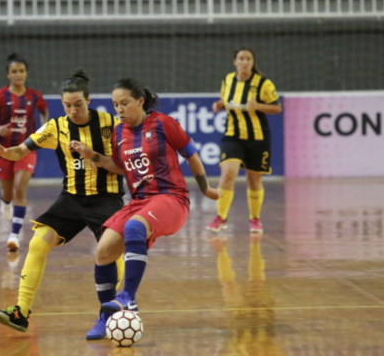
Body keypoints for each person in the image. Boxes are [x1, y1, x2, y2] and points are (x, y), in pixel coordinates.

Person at [69, 78, 219, 332]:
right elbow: (119, 167)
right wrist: (91, 155)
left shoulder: (163, 123)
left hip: (171, 198)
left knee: (134, 228)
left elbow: (191, 154)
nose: (119, 109)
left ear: (140, 101)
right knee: (103, 250)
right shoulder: (118, 132)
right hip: (139, 201)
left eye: (124, 103)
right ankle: (107, 318)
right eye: (115, 105)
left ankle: (128, 296)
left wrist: (205, 188)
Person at [0, 69, 125, 340]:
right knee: (39, 241)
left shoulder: (111, 124)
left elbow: (124, 167)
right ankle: (21, 312)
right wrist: (6, 152)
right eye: (67, 106)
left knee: (111, 251)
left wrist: (93, 156)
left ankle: (110, 312)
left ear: (88, 100)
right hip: (71, 199)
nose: (73, 111)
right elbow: (21, 150)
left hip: (107, 199)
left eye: (78, 104)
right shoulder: (56, 127)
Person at [0, 53, 49, 251]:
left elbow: (43, 110)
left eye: (22, 71)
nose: (18, 75)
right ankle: (4, 200)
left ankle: (14, 235)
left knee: (20, 189)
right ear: (8, 74)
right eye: (14, 72)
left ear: (26, 73)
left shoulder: (34, 96)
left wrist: (43, 128)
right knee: (9, 192)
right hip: (3, 150)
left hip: (26, 149)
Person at [206, 47, 282, 234]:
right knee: (228, 174)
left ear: (252, 62)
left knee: (254, 180)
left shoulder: (263, 84)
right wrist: (219, 105)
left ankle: (254, 219)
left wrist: (259, 106)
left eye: (248, 59)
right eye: (241, 58)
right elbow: (227, 101)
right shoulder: (228, 80)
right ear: (235, 62)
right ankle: (221, 218)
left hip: (258, 137)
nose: (245, 62)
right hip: (233, 135)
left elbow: (277, 108)